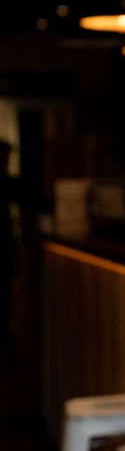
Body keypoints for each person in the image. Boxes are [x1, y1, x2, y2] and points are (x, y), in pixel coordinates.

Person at [0, 140, 19, 348]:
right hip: (5, 243)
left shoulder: (8, 182)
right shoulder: (6, 182)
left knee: (6, 292)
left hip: (6, 243)